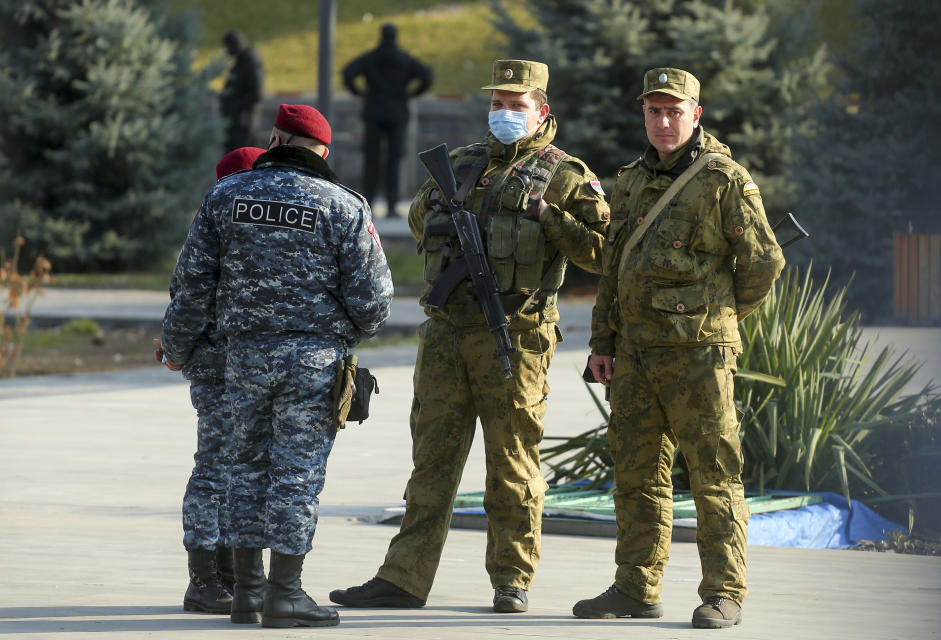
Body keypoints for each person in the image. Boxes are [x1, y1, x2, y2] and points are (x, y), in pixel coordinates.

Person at [331, 59, 610, 614]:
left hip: (515, 336)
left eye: (517, 105)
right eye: (498, 103)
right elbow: (417, 221)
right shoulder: (457, 164)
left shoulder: (566, 175)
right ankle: (404, 578)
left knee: (512, 463)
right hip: (447, 335)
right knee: (431, 461)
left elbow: (603, 252)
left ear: (542, 111)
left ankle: (512, 578)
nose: (505, 113)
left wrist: (549, 218)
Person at [161, 104, 393, 628]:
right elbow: (375, 300)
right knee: (296, 475)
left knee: (243, 471)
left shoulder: (225, 196)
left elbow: (191, 287)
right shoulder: (342, 205)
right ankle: (284, 594)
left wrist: (175, 347)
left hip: (243, 358)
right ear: (323, 151)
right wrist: (343, 333)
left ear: (275, 138)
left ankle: (245, 593)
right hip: (312, 360)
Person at [574, 68, 785, 629]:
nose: (663, 122)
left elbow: (764, 263)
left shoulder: (724, 180)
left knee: (715, 474)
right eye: (653, 111)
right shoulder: (628, 182)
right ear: (644, 115)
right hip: (636, 354)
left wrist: (720, 316)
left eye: (674, 111)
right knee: (637, 474)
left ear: (696, 114)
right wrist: (603, 342)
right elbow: (615, 271)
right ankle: (635, 587)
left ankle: (724, 591)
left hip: (699, 356)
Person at [156, 145, 265, 615]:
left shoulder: (223, 219)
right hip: (218, 369)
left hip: (244, 367)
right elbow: (187, 299)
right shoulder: (219, 223)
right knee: (215, 470)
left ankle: (226, 574)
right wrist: (175, 351)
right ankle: (203, 581)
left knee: (236, 472)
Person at [342, 23, 433, 218]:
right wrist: (412, 93)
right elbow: (427, 75)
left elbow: (348, 72)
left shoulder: (370, 58)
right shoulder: (405, 59)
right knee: (394, 160)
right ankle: (392, 205)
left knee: (371, 160)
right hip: (397, 113)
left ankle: (368, 203)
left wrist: (359, 92)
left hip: (373, 112)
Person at [220, 30, 265, 152]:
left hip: (244, 125)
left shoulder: (250, 62)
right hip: (235, 124)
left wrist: (234, 106)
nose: (227, 51)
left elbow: (256, 94)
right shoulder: (241, 61)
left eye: (228, 47)